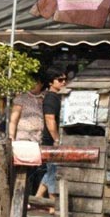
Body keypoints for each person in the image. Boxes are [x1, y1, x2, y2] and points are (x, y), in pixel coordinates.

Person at [8, 74, 45, 195]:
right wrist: (11, 137)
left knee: (37, 169)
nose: (33, 85)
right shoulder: (21, 98)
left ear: (41, 84)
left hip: (38, 137)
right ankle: (21, 194)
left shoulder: (44, 98)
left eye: (36, 82)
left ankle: (32, 196)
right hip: (24, 137)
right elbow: (13, 119)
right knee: (23, 168)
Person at [36, 66, 66, 200]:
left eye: (65, 79)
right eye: (60, 80)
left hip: (51, 140)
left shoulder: (56, 97)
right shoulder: (51, 98)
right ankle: (53, 204)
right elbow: (50, 119)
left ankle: (37, 198)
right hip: (51, 141)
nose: (64, 82)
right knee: (54, 171)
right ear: (50, 82)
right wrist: (57, 139)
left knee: (51, 171)